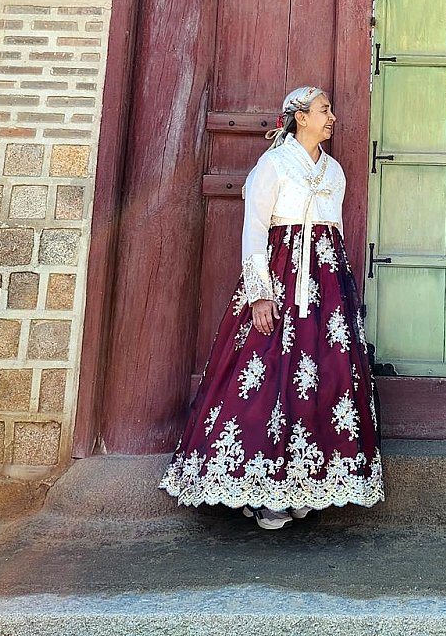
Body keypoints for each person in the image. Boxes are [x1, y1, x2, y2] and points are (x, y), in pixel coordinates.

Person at [160, 86, 383, 529]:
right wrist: (260, 293)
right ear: (301, 117)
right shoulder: (274, 165)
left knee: (325, 376)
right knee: (267, 376)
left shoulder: (334, 170)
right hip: (281, 276)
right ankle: (263, 491)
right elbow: (255, 229)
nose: (332, 117)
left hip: (326, 284)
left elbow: (335, 232)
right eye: (324, 110)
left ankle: (305, 485)